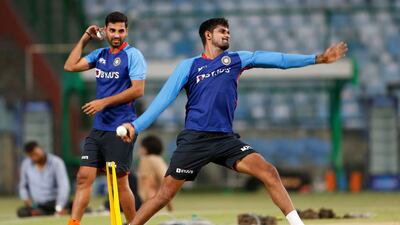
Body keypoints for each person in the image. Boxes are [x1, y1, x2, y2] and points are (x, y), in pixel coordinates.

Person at [120, 18, 348, 225]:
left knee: (269, 172)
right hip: (195, 140)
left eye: (229, 32)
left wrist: (317, 58)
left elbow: (278, 59)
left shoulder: (237, 59)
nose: (227, 35)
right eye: (222, 31)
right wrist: (136, 126)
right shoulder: (189, 66)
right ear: (208, 35)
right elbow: (163, 100)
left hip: (225, 139)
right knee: (164, 196)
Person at [64, 11, 147, 225]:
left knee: (120, 184)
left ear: (126, 31)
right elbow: (70, 66)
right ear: (105, 30)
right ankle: (73, 223)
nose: (117, 34)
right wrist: (85, 38)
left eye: (121, 30)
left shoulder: (133, 55)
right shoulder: (99, 55)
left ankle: (133, 223)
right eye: (112, 30)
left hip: (121, 129)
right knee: (83, 177)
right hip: (99, 128)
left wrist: (103, 102)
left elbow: (138, 91)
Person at [18, 141, 71, 217]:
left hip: (55, 202)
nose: (34, 157)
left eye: (36, 154)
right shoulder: (26, 165)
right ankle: (47, 212)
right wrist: (26, 199)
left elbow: (64, 186)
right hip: (38, 205)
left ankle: (63, 210)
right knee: (22, 212)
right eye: (31, 155)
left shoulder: (57, 162)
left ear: (41, 149)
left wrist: (60, 206)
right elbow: (22, 186)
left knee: (69, 206)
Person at [137, 135, 173, 212]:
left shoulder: (146, 160)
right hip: (159, 199)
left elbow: (147, 183)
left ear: (146, 149)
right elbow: (164, 180)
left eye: (141, 147)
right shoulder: (159, 160)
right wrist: (169, 205)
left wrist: (144, 205)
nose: (139, 150)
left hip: (147, 201)